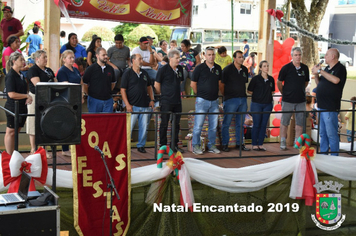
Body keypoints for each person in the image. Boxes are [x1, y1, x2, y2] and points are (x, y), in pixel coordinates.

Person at [312, 48, 347, 156]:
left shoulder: (340, 68)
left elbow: (336, 80)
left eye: (326, 55)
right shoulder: (327, 68)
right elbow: (319, 84)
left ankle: (334, 157)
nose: (325, 57)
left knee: (331, 133)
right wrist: (317, 75)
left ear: (333, 56)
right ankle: (324, 155)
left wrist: (320, 71)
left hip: (330, 106)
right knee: (322, 133)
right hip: (321, 106)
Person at [121, 54, 154, 153]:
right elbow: (123, 90)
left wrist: (152, 99)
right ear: (133, 60)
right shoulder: (127, 73)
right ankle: (125, 147)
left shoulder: (144, 73)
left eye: (142, 59)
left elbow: (149, 87)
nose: (141, 60)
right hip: (133, 106)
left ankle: (141, 145)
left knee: (144, 127)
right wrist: (127, 104)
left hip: (144, 105)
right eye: (139, 59)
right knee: (129, 128)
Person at [277, 47, 309, 150]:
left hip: (301, 100)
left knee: (300, 123)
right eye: (296, 55)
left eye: (299, 55)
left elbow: (306, 82)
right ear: (292, 56)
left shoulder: (305, 68)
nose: (298, 57)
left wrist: (299, 90)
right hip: (288, 100)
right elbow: (279, 82)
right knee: (284, 122)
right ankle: (283, 141)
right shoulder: (286, 68)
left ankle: (297, 142)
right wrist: (285, 93)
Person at [191, 47, 222, 155]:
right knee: (198, 125)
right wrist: (199, 95)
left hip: (214, 101)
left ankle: (212, 145)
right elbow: (193, 84)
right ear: (204, 55)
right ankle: (196, 146)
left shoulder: (218, 68)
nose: (211, 56)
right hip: (202, 101)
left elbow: (219, 83)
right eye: (209, 54)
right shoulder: (199, 68)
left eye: (213, 54)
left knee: (213, 126)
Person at [219, 50, 250, 152]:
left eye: (242, 57)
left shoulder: (245, 70)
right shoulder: (227, 70)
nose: (242, 59)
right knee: (226, 122)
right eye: (240, 57)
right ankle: (225, 144)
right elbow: (221, 85)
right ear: (234, 58)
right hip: (230, 99)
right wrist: (226, 96)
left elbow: (244, 84)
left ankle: (240, 144)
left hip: (243, 99)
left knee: (240, 123)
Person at [27, 50, 56, 155]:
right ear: (37, 59)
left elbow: (55, 82)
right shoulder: (33, 70)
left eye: (46, 57)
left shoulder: (49, 70)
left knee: (46, 122)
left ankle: (44, 148)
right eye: (44, 57)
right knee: (33, 121)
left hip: (49, 98)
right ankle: (34, 148)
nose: (46, 59)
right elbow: (38, 85)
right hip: (36, 97)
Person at [154, 49, 184, 153]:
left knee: (176, 124)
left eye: (179, 58)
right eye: (176, 58)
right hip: (166, 101)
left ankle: (174, 145)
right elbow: (156, 85)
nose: (178, 60)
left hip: (177, 101)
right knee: (164, 124)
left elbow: (180, 82)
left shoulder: (180, 69)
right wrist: (163, 95)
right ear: (170, 58)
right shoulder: (163, 69)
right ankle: (162, 146)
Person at [4, 52, 32, 155]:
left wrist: (27, 97)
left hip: (21, 107)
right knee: (10, 132)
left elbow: (23, 90)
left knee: (16, 132)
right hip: (13, 107)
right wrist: (26, 96)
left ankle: (13, 153)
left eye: (24, 59)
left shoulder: (20, 75)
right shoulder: (11, 75)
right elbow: (11, 94)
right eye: (21, 60)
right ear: (14, 61)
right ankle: (9, 155)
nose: (23, 62)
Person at [57, 50, 83, 156]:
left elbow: (80, 82)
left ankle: (73, 145)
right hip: (67, 100)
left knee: (75, 123)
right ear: (64, 59)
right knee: (66, 123)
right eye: (70, 58)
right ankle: (65, 148)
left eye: (73, 57)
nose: (72, 59)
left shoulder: (75, 69)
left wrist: (81, 95)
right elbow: (66, 86)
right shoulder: (62, 71)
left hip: (76, 100)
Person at [247, 60, 275, 151]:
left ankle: (261, 143)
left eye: (267, 66)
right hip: (257, 104)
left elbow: (272, 91)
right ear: (260, 68)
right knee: (256, 124)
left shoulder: (271, 79)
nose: (266, 68)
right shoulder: (255, 79)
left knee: (264, 125)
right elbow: (249, 90)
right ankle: (254, 143)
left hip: (267, 104)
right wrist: (258, 95)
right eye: (264, 66)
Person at [83, 47, 116, 113]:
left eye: (106, 55)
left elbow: (113, 83)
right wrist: (91, 94)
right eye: (103, 55)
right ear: (97, 56)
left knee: (107, 121)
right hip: (94, 100)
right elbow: (85, 84)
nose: (106, 56)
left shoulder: (110, 68)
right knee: (94, 121)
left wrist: (107, 91)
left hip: (108, 100)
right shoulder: (90, 69)